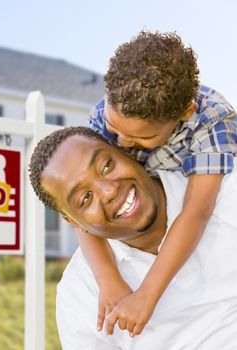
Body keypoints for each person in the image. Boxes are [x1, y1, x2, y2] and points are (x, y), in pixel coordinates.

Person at [82, 31, 237, 336]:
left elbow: (196, 211)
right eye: (115, 130)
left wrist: (146, 295)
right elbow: (74, 206)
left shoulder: (213, 120)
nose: (122, 144)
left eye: (142, 138)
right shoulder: (105, 113)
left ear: (185, 113)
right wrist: (108, 278)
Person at [28, 126, 237, 349]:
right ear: (75, 223)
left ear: (127, 152)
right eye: (85, 198)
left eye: (106, 166)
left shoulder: (224, 189)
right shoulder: (80, 293)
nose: (108, 191)